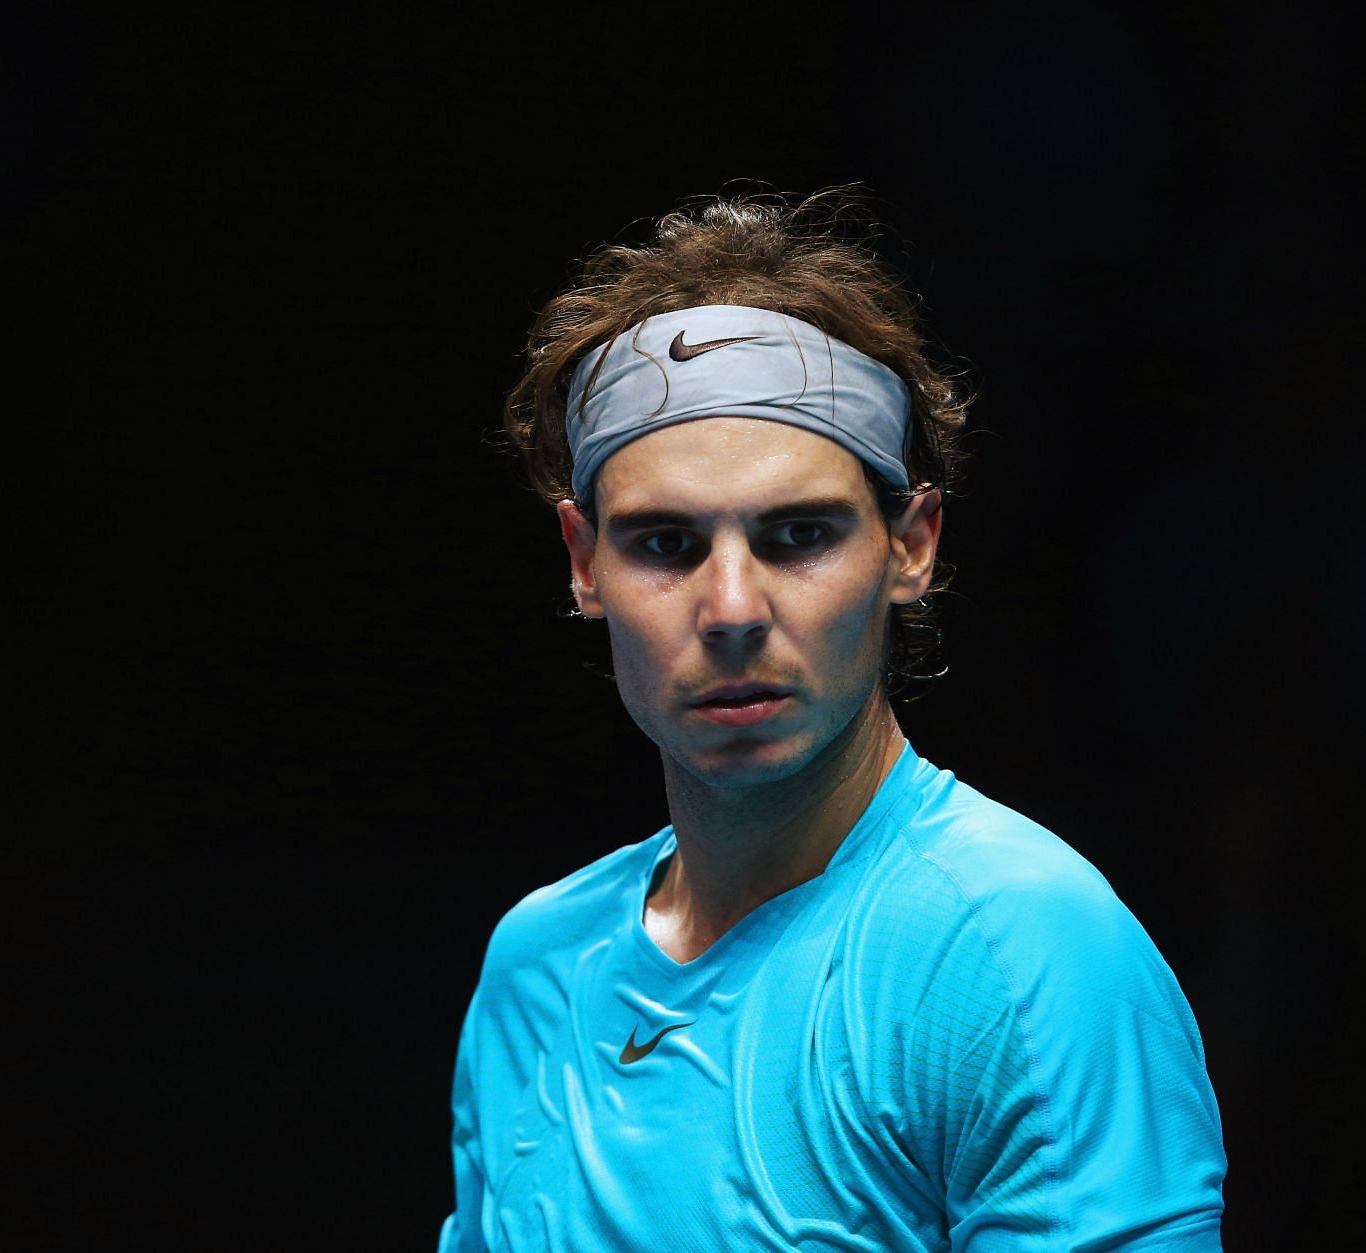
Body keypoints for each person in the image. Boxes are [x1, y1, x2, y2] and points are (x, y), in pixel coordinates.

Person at [438, 192, 1226, 1250]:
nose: (730, 610)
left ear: (913, 543)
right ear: (584, 563)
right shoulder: (535, 965)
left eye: (798, 533)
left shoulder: (1024, 949)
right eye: (664, 544)